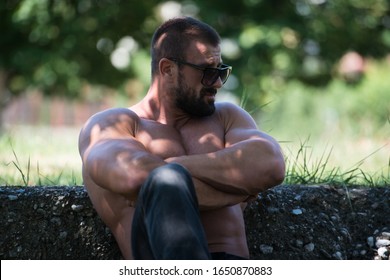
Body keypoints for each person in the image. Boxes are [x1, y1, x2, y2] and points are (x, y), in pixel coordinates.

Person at [78, 16, 285, 260]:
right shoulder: (113, 124)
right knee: (165, 181)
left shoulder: (226, 118)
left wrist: (178, 164)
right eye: (207, 72)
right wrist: (233, 193)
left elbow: (270, 163)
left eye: (220, 71)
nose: (217, 83)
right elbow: (136, 177)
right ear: (168, 69)